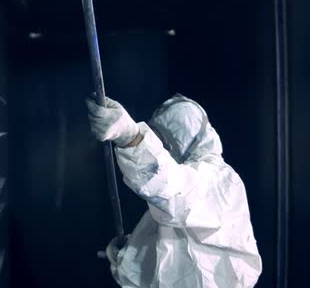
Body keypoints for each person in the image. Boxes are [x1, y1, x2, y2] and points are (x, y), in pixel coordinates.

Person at [86, 93, 262, 288]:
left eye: (166, 142)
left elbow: (173, 189)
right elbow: (158, 269)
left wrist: (131, 138)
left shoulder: (220, 181)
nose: (163, 150)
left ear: (186, 138)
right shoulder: (171, 205)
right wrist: (125, 255)